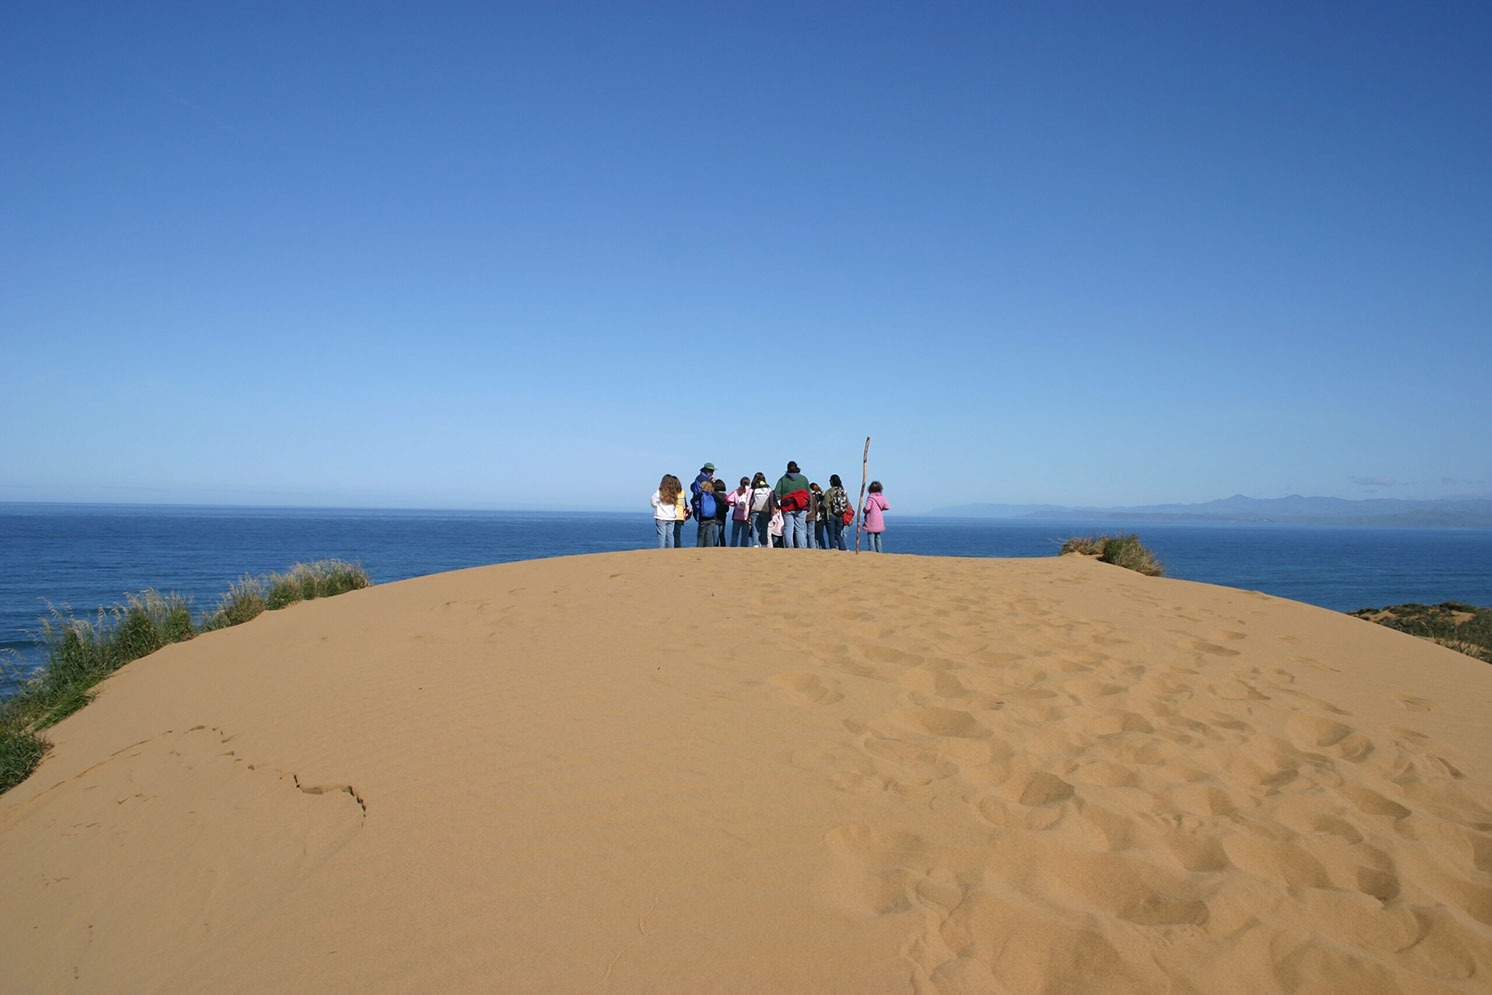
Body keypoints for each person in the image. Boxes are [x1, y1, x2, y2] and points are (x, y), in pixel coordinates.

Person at [774, 461, 811, 548]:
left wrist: (778, 505)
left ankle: (789, 547)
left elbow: (777, 493)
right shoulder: (803, 479)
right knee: (800, 529)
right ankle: (801, 548)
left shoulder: (783, 479)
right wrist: (810, 506)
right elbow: (809, 494)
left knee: (788, 528)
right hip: (801, 506)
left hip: (787, 507)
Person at [650, 474, 682, 548]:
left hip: (661, 516)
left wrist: (658, 505)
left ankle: (661, 551)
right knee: (670, 535)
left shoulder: (660, 492)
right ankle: (670, 551)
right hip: (671, 517)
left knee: (661, 535)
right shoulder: (674, 492)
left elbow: (653, 502)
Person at [823, 474, 851, 551]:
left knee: (831, 535)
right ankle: (843, 549)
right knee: (838, 535)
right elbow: (847, 504)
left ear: (831, 482)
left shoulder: (829, 492)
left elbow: (825, 505)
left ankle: (833, 550)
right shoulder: (842, 491)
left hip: (830, 515)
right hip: (840, 515)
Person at [862, 480, 890, 552]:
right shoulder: (882, 497)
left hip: (871, 519)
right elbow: (887, 506)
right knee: (878, 536)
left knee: (871, 536)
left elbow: (867, 508)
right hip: (879, 519)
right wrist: (880, 509)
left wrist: (864, 510)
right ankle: (879, 551)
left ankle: (872, 551)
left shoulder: (871, 497)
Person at [749, 472, 774, 548]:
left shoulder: (753, 490)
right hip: (765, 511)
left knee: (755, 529)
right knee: (764, 529)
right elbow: (771, 502)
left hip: (754, 510)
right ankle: (764, 545)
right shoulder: (769, 489)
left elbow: (749, 502)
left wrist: (747, 513)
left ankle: (755, 545)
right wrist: (772, 513)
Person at [693, 479, 722, 547]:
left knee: (701, 535)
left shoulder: (700, 495)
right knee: (709, 536)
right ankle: (708, 550)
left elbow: (692, 501)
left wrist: (697, 509)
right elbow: (721, 502)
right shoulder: (714, 495)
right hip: (712, 518)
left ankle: (699, 549)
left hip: (703, 517)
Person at [728, 477, 753, 547]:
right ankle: (744, 547)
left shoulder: (736, 491)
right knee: (745, 534)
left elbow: (728, 498)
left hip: (736, 515)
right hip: (747, 516)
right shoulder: (751, 491)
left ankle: (733, 546)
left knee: (735, 533)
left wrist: (734, 504)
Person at [712, 477, 730, 545]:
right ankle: (724, 549)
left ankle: (715, 551)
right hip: (723, 518)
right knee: (722, 535)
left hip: (715, 517)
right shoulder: (725, 496)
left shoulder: (713, 495)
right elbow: (727, 509)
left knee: (715, 537)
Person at [809, 482, 826, 550]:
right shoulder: (822, 496)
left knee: (812, 535)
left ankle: (815, 549)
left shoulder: (812, 496)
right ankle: (822, 548)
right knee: (820, 536)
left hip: (813, 516)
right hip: (821, 517)